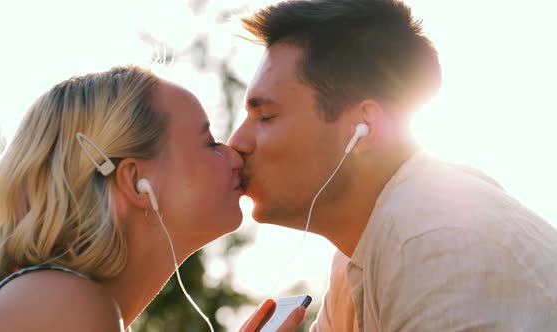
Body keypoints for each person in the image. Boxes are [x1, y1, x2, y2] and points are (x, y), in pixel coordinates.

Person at [229, 0, 557, 330]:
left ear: (363, 128)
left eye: (266, 116)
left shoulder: (432, 241)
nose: (236, 142)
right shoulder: (357, 261)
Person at [0, 66, 305, 331]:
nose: (234, 155)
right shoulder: (66, 305)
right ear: (135, 181)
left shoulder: (55, 302)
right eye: (209, 143)